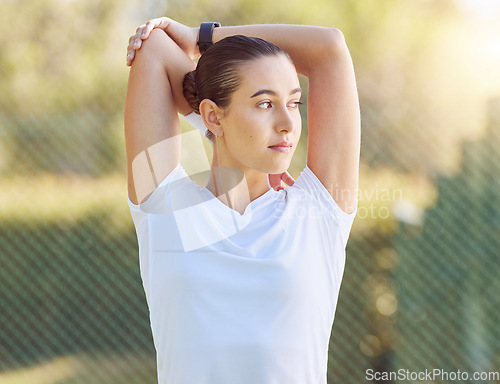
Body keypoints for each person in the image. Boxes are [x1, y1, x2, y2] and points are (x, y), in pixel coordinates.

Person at [124, 16, 360, 384]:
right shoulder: (166, 209)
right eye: (265, 104)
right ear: (212, 115)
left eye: (294, 103)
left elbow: (330, 48)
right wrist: (218, 131)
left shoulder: (318, 213)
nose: (287, 123)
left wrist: (202, 38)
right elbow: (153, 48)